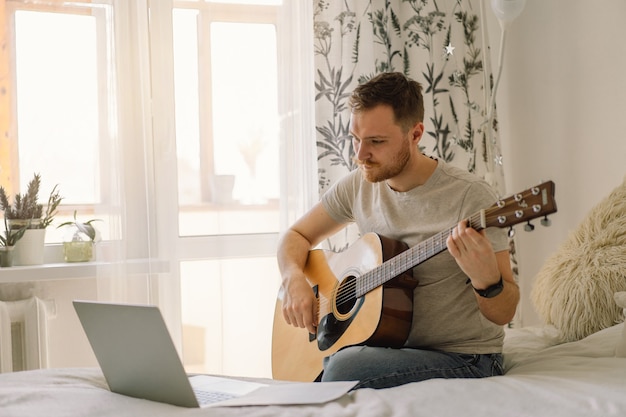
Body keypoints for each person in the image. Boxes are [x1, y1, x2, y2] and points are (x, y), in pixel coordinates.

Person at [277, 71, 520, 390]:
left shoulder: (471, 197)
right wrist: (293, 278)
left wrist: (486, 281)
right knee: (334, 364)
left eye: (376, 142)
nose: (360, 154)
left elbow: (504, 313)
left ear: (415, 134)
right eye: (355, 138)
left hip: (465, 358)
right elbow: (294, 236)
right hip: (390, 347)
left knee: (342, 368)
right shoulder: (357, 185)